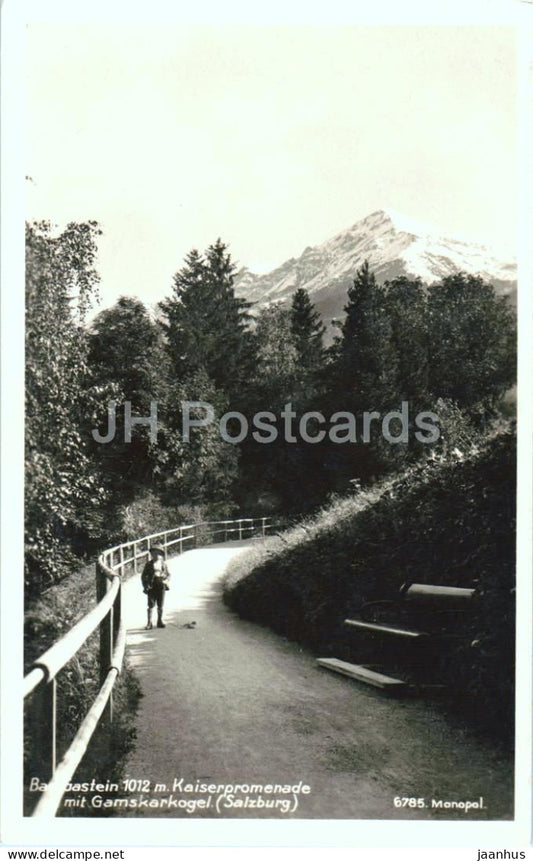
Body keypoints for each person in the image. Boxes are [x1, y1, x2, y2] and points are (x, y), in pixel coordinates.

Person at [141, 545, 170, 629]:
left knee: (160, 604)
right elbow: (143, 576)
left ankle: (159, 621)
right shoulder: (149, 564)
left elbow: (168, 575)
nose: (156, 555)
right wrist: (145, 585)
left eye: (158, 553)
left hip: (161, 585)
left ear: (161, 554)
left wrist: (166, 581)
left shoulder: (163, 564)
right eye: (154, 553)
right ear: (151, 554)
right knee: (150, 604)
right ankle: (149, 623)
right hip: (151, 585)